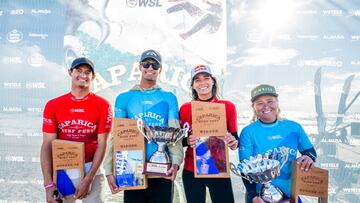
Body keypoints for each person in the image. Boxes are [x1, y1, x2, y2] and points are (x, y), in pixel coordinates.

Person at [103, 49, 183, 203]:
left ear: (160, 69)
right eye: (146, 64)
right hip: (133, 172)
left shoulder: (169, 98)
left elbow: (175, 134)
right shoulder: (124, 98)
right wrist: (109, 170)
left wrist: (176, 162)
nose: (150, 68)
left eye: (155, 65)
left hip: (161, 171)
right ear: (139, 66)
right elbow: (116, 137)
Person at [41, 57, 113, 203]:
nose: (83, 75)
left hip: (91, 170)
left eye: (88, 72)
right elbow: (47, 145)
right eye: (78, 71)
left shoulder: (103, 105)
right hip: (62, 172)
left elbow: (102, 143)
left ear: (93, 77)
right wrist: (48, 184)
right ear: (70, 73)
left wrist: (89, 178)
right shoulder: (53, 105)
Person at [238, 84, 317, 203]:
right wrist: (254, 197)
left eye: (270, 101)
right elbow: (245, 169)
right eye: (260, 103)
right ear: (254, 107)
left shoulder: (294, 127)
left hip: (291, 194)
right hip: (259, 197)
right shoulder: (248, 132)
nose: (266, 106)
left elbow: (311, 152)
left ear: (277, 103)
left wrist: (309, 157)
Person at [179, 64, 238, 203]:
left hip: (219, 169)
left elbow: (235, 140)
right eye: (197, 80)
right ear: (193, 85)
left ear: (213, 81)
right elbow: (179, 141)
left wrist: (233, 142)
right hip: (191, 170)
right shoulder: (185, 108)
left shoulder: (228, 106)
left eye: (206, 78)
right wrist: (188, 141)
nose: (202, 83)